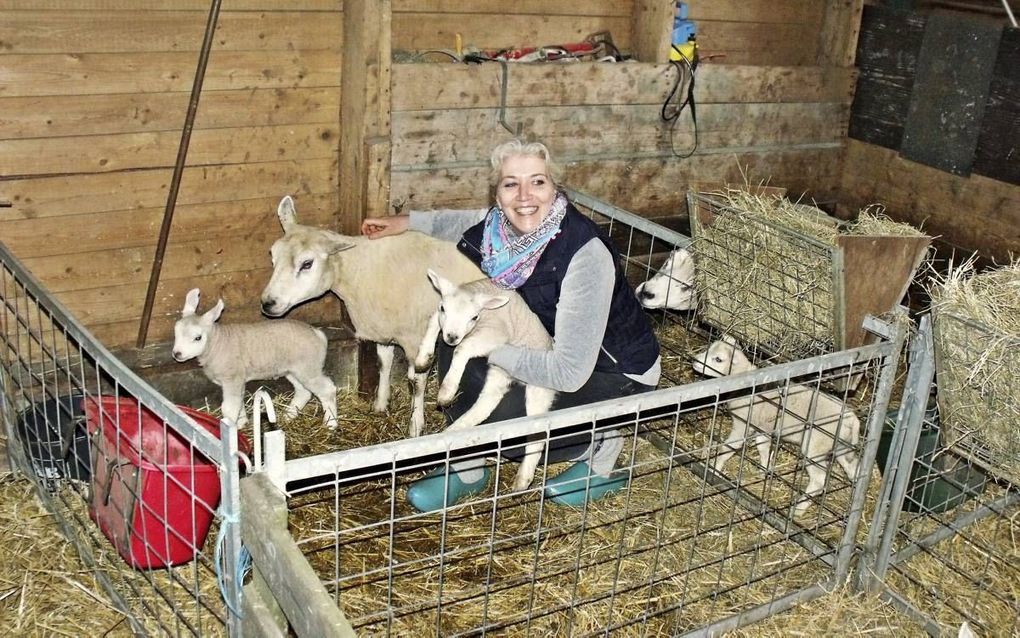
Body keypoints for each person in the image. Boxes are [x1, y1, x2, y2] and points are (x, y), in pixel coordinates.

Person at [361, 139, 661, 512]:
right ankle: (469, 467)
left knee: (507, 410)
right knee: (453, 336)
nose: (524, 196)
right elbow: (463, 222)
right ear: (498, 193)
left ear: (555, 188)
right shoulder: (500, 230)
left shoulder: (585, 256)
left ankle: (601, 444)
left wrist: (494, 353)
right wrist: (405, 223)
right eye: (510, 184)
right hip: (548, 341)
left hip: (614, 370)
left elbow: (568, 373)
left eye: (537, 182)